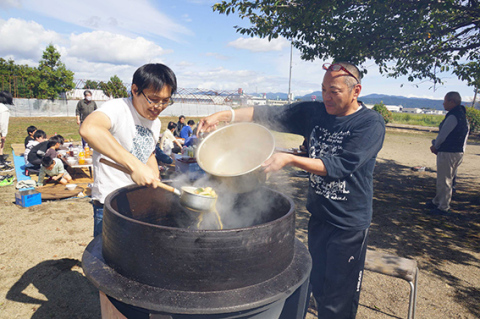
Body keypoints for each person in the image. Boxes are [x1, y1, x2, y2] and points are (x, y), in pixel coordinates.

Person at [198, 62, 385, 319]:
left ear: (356, 91)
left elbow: (341, 165)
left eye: (334, 91)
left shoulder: (370, 123)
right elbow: (266, 113)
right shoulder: (316, 113)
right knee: (317, 285)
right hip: (320, 216)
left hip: (349, 224)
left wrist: (291, 159)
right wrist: (222, 116)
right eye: (323, 90)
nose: (326, 97)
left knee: (338, 299)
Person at [80, 63, 177, 237]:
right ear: (134, 90)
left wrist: (154, 175)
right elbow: (89, 129)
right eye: (153, 99)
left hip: (139, 201)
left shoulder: (155, 122)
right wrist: (135, 166)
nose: (159, 107)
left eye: (165, 101)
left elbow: (148, 152)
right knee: (106, 257)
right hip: (110, 204)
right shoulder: (118, 108)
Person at [427, 91, 469, 215]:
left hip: (448, 152)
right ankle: (437, 200)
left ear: (452, 101)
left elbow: (443, 135)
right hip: (457, 151)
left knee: (444, 179)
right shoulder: (463, 116)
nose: (443, 103)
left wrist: (436, 146)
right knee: (448, 178)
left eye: (445, 100)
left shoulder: (453, 116)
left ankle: (443, 206)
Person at [0, 91, 13, 169]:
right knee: (1, 144)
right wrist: (4, 134)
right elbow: (3, 123)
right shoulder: (4, 109)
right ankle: (1, 162)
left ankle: (1, 159)